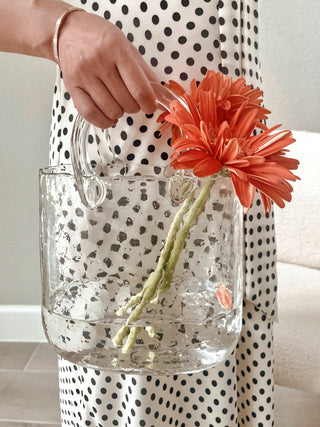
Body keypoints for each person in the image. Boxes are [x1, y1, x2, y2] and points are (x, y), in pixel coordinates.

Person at [1, 1, 278, 425]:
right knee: (125, 385)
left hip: (233, 167)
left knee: (225, 359)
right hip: (115, 167)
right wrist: (61, 29)